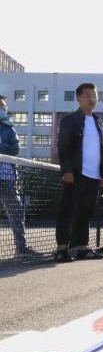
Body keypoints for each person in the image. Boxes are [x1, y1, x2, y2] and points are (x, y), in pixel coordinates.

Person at [55, 83, 103, 262]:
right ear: (78, 98)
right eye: (87, 95)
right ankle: (61, 249)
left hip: (94, 175)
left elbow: (101, 149)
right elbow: (63, 148)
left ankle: (82, 248)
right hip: (76, 174)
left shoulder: (97, 121)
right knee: (67, 211)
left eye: (94, 95)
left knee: (86, 212)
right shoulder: (69, 120)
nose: (91, 99)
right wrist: (67, 170)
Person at [0, 95, 37, 258]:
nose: (3, 109)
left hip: (7, 178)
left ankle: (22, 249)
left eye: (4, 106)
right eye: (0, 106)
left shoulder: (8, 128)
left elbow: (15, 150)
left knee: (16, 212)